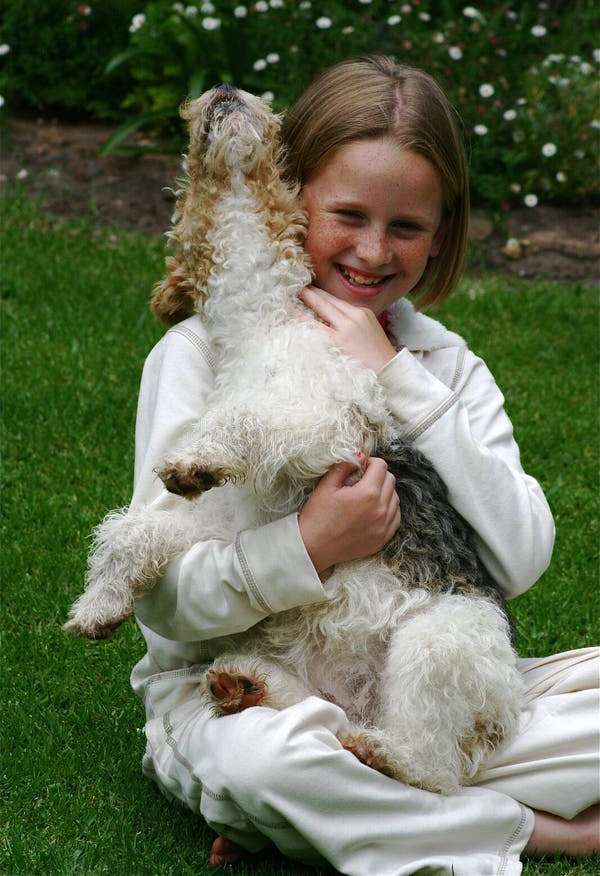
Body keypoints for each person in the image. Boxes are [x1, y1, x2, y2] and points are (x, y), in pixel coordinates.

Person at [129, 56, 599, 874]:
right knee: (265, 764)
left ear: (443, 232)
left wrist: (397, 376)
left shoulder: (445, 367)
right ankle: (537, 828)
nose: (374, 252)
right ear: (290, 194)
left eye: (407, 228)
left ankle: (339, 814)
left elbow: (519, 560)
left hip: (416, 684)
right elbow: (164, 606)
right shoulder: (198, 355)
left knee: (436, 704)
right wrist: (308, 546)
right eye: (347, 214)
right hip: (249, 691)